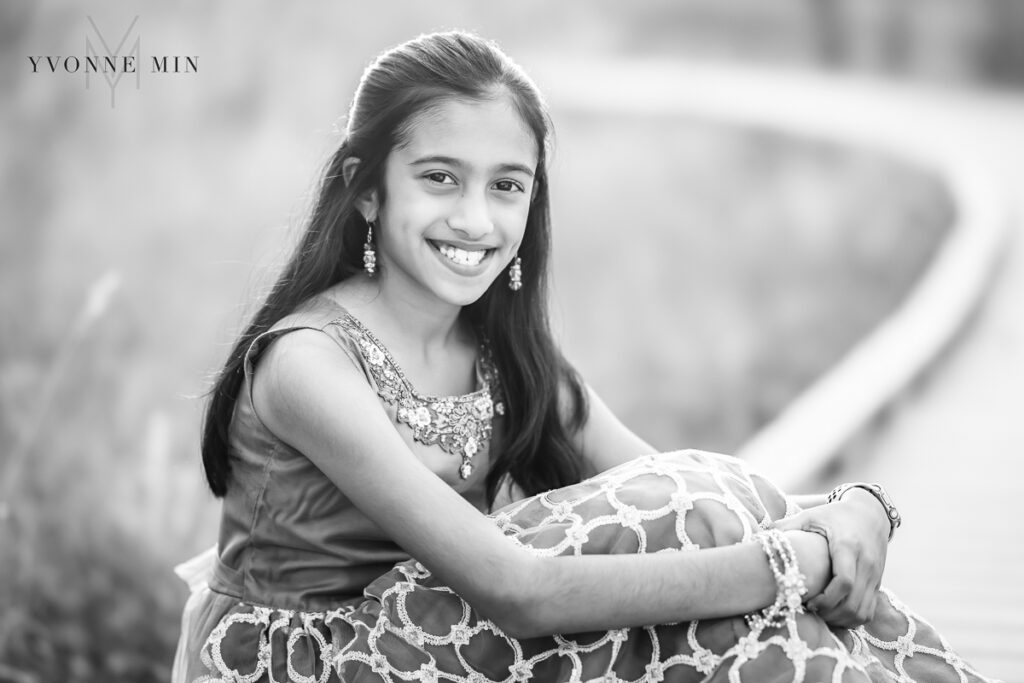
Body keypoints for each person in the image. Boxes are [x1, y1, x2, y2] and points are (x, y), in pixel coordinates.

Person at [173, 31, 999, 683]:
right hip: (314, 660)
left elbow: (698, 487)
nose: (475, 219)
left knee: (724, 560)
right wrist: (790, 563)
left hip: (436, 638)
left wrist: (857, 506)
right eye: (439, 177)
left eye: (507, 186)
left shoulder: (502, 353)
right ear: (363, 186)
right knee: (725, 582)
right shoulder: (309, 364)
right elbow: (517, 592)